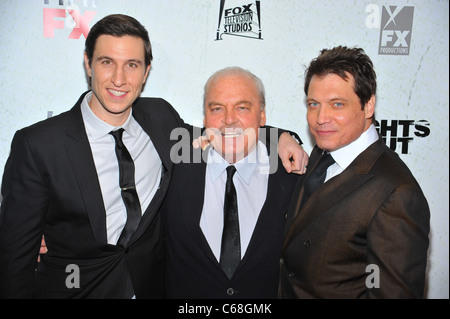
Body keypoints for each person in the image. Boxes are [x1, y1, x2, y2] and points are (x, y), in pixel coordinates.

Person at [0, 15, 306, 298]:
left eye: (132, 64)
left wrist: (280, 136)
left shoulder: (161, 120)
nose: (119, 79)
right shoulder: (38, 144)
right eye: (107, 62)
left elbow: (223, 130)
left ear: (146, 71)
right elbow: (15, 259)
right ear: (88, 64)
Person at [279, 46, 430, 298]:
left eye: (337, 104)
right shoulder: (324, 151)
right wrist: (278, 136)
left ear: (368, 105)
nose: (321, 118)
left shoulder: (397, 194)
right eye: (313, 104)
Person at [162, 67, 305, 299]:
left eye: (242, 107)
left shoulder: (292, 175)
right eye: (217, 108)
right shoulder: (175, 168)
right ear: (205, 117)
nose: (229, 119)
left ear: (262, 115)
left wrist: (279, 135)